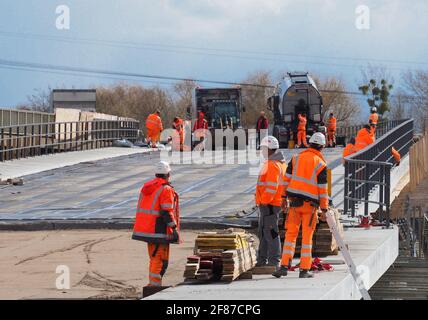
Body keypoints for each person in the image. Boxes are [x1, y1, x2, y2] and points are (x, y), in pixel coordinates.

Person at [273, 132, 329, 279]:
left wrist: (283, 198)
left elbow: (286, 180)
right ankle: (304, 270)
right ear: (322, 147)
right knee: (306, 238)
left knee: (290, 235)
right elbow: (323, 190)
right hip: (310, 207)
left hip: (294, 204)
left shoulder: (296, 159)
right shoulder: (321, 164)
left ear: (309, 143)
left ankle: (284, 266)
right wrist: (324, 209)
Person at [132, 161, 180, 288]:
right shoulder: (165, 189)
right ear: (168, 174)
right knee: (158, 260)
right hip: (159, 231)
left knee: (157, 259)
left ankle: (154, 285)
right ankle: (154, 288)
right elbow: (166, 211)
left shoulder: (147, 187)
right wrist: (174, 228)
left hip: (147, 229)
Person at [255, 136, 287, 268]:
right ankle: (261, 260)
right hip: (271, 204)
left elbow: (271, 188)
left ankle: (274, 261)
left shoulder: (272, 165)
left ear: (269, 149)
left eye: (263, 148)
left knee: (271, 232)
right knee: (264, 232)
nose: (261, 151)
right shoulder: (279, 163)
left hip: (269, 205)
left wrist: (263, 201)